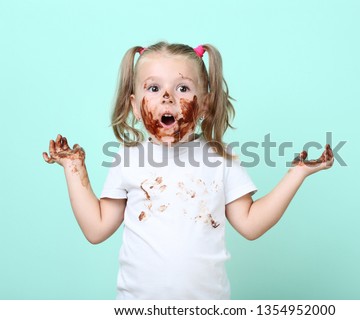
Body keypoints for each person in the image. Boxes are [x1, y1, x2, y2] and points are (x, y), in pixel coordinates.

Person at [42, 41, 334, 299]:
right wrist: (73, 167)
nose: (167, 97)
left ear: (204, 104)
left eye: (182, 88)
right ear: (134, 104)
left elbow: (251, 224)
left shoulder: (221, 159)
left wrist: (296, 174)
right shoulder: (128, 157)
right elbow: (96, 229)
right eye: (153, 88)